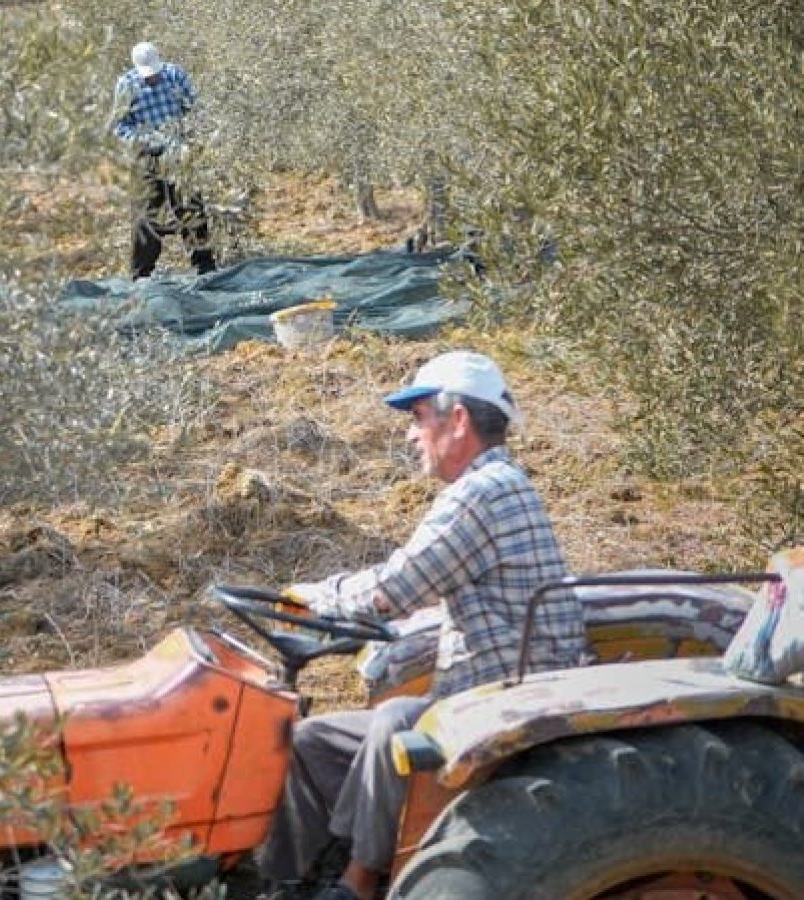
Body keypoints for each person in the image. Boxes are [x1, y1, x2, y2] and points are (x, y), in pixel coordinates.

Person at [259, 350, 588, 900]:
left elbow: (396, 588)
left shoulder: (483, 493)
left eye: (418, 419)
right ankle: (282, 882)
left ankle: (358, 882)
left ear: (457, 420)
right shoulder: (494, 485)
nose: (411, 436)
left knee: (394, 723)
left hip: (507, 693)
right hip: (484, 683)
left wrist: (311, 600)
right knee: (314, 740)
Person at [112, 41, 217, 279]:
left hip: (178, 152)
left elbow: (195, 109)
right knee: (146, 215)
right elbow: (120, 126)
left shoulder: (175, 75)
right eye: (148, 75)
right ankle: (141, 274)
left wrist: (189, 139)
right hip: (147, 155)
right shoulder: (126, 85)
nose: (153, 79)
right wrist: (144, 140)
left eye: (155, 73)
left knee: (191, 208)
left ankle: (205, 267)